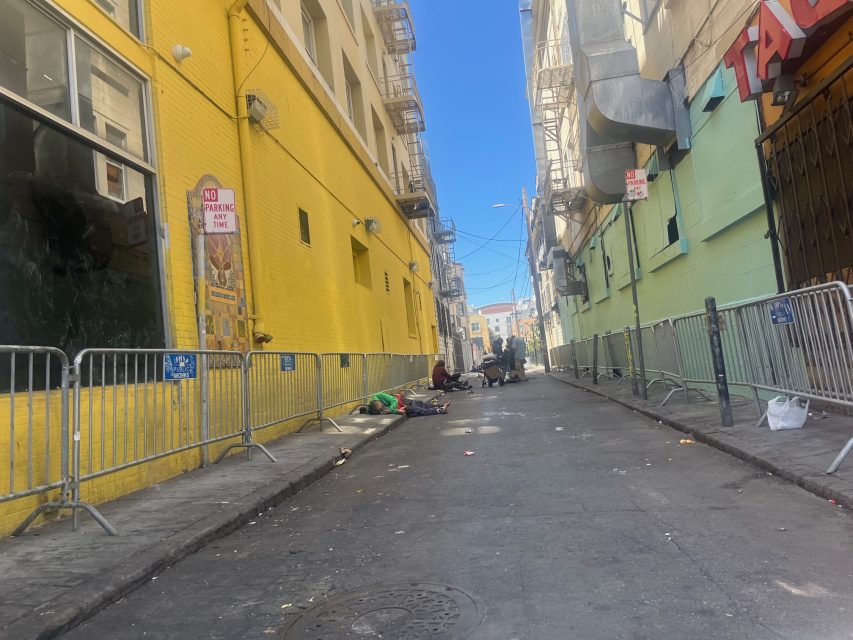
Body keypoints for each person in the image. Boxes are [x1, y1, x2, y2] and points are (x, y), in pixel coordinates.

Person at [364, 391, 449, 417]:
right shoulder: (374, 408)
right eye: (381, 409)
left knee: (420, 405)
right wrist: (396, 411)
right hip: (401, 407)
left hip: (402, 402)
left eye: (382, 406)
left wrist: (393, 410)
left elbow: (394, 400)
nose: (383, 408)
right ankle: (439, 410)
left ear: (378, 402)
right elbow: (387, 411)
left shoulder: (380, 395)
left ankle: (441, 406)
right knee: (418, 410)